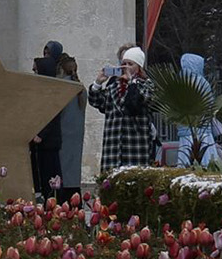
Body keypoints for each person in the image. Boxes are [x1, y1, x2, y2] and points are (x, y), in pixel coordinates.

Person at [86, 46, 157, 172]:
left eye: (130, 64)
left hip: (135, 147)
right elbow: (97, 102)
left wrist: (132, 82)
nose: (126, 67)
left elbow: (140, 101)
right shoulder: (113, 86)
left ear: (139, 67)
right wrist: (98, 83)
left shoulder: (147, 85)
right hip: (112, 149)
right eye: (124, 64)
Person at [29, 41, 67, 197]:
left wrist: (41, 134)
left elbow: (52, 114)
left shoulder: (52, 89)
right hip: (40, 143)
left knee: (51, 176)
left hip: (49, 142)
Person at [53, 54, 88, 200]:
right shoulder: (80, 89)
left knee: (62, 175)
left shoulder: (62, 88)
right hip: (76, 137)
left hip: (62, 137)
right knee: (73, 175)